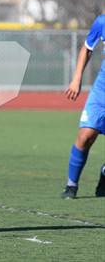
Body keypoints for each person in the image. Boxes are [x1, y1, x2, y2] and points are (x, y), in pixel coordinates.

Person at [61, 14, 105, 199]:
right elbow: (87, 49)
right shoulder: (102, 21)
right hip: (103, 90)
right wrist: (76, 78)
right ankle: (71, 186)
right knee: (86, 135)